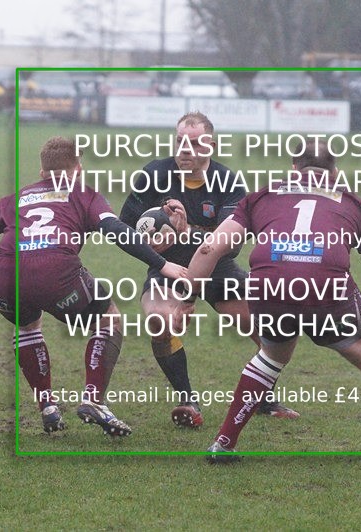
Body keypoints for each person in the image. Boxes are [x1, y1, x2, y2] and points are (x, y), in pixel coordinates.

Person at [182, 137, 361, 471]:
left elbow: (209, 249)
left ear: (294, 168)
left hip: (269, 288)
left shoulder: (261, 196)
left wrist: (187, 298)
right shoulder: (354, 204)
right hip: (325, 290)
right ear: (334, 172)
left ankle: (223, 443)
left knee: (271, 354)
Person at [0, 136, 185, 436]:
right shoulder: (84, 194)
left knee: (27, 327)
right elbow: (115, 229)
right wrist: (163, 263)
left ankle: (48, 407)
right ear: (79, 168)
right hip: (55, 272)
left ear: (41, 172)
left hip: (4, 277)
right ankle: (93, 399)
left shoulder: (16, 198)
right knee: (109, 319)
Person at [119, 111, 299, 427]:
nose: (184, 149)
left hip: (218, 268)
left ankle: (264, 398)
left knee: (271, 330)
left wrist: (185, 231)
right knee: (161, 324)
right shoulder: (154, 175)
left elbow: (230, 242)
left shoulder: (227, 182)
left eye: (194, 143)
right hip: (170, 269)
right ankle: (187, 401)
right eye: (179, 142)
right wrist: (152, 249)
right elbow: (124, 229)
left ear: (211, 145)